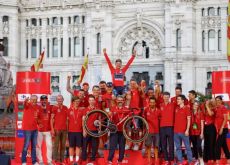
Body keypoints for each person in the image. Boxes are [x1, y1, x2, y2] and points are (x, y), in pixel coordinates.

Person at [108, 95, 130, 164]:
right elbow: (109, 119)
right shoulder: (112, 108)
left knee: (122, 147)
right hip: (114, 131)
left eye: (121, 100)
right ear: (116, 101)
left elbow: (129, 119)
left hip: (123, 131)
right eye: (118, 100)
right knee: (112, 147)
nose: (120, 101)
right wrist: (109, 114)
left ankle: (120, 161)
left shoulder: (126, 109)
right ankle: (110, 161)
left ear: (123, 101)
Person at [174, 95, 193, 165]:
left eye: (179, 99)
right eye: (177, 99)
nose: (177, 100)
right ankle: (180, 161)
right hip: (176, 132)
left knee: (188, 147)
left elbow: (189, 120)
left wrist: (187, 130)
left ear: (182, 100)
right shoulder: (176, 108)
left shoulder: (187, 108)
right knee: (178, 148)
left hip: (184, 132)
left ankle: (190, 161)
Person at [21, 95, 39, 165]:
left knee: (34, 146)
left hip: (35, 129)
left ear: (37, 100)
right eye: (33, 99)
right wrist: (26, 100)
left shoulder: (38, 107)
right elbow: (24, 104)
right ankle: (23, 161)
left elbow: (39, 117)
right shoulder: (27, 105)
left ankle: (34, 161)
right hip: (27, 129)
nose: (34, 101)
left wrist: (39, 123)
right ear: (30, 100)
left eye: (35, 99)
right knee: (26, 145)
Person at [51, 95, 68, 164]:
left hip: (64, 130)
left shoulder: (65, 108)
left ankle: (62, 160)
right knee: (56, 145)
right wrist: (52, 129)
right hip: (57, 129)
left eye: (61, 99)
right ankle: (55, 160)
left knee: (63, 146)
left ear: (63, 99)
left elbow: (67, 119)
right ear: (56, 100)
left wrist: (67, 129)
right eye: (58, 99)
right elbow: (51, 119)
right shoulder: (54, 108)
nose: (59, 100)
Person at [143, 97, 161, 164]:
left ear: (155, 103)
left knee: (156, 147)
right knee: (148, 147)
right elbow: (143, 120)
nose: (152, 104)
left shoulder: (159, 111)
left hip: (157, 131)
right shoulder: (146, 110)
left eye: (153, 102)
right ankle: (149, 162)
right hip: (148, 131)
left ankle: (156, 162)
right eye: (151, 102)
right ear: (149, 103)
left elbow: (160, 120)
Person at [82, 95, 99, 163]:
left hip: (95, 131)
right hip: (87, 130)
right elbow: (83, 120)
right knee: (85, 146)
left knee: (94, 146)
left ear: (94, 101)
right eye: (90, 100)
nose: (91, 101)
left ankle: (92, 160)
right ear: (88, 101)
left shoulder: (97, 109)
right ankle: (84, 159)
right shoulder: (85, 110)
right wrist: (84, 130)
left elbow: (99, 120)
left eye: (93, 100)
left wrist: (99, 129)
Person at [159, 92, 175, 165]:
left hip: (170, 127)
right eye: (165, 97)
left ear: (169, 97)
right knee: (163, 144)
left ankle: (171, 159)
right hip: (162, 127)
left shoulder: (173, 105)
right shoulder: (160, 105)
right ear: (163, 97)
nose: (166, 98)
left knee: (171, 144)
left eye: (167, 97)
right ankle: (166, 159)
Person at [36, 95, 53, 165]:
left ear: (47, 100)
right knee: (38, 146)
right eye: (42, 100)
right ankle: (40, 161)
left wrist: (52, 129)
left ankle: (49, 161)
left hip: (48, 130)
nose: (44, 101)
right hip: (39, 130)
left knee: (49, 146)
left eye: (45, 99)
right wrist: (38, 123)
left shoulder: (50, 107)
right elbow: (35, 117)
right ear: (40, 101)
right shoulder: (37, 107)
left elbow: (53, 118)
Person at [67, 96, 84, 164]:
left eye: (78, 101)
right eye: (76, 101)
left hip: (79, 131)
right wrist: (67, 130)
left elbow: (83, 121)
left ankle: (77, 160)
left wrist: (83, 130)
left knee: (78, 146)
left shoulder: (81, 110)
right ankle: (71, 160)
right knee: (71, 146)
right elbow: (67, 122)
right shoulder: (69, 110)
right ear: (73, 102)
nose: (77, 103)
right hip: (71, 131)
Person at [214, 96, 230, 163]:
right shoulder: (216, 108)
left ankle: (217, 161)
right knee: (224, 145)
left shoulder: (223, 108)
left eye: (218, 100)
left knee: (217, 145)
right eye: (216, 100)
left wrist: (221, 128)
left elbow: (225, 119)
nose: (217, 102)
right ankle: (229, 159)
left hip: (223, 129)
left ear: (221, 101)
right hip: (219, 129)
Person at [189, 100, 204, 164]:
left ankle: (201, 158)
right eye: (194, 105)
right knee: (194, 146)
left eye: (197, 105)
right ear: (193, 106)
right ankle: (196, 159)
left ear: (198, 106)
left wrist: (202, 133)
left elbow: (202, 123)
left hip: (198, 132)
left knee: (198, 146)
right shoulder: (190, 112)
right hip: (192, 132)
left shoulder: (200, 113)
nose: (195, 106)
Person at [203, 99, 216, 163]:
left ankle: (212, 158)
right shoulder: (204, 110)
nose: (206, 103)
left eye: (208, 102)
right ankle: (206, 158)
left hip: (211, 128)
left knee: (211, 143)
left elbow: (210, 114)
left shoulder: (213, 109)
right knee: (206, 143)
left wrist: (207, 106)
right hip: (205, 127)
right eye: (206, 102)